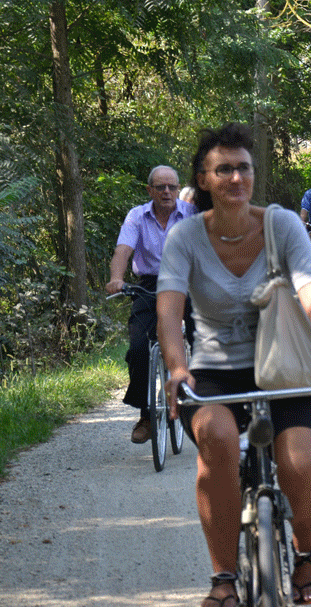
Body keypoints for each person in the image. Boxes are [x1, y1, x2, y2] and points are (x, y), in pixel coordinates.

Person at [156, 123, 311, 607]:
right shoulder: (184, 237)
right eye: (223, 169)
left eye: (243, 167)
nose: (235, 178)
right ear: (203, 180)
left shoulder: (280, 224)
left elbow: (310, 290)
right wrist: (176, 369)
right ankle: (223, 577)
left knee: (301, 463)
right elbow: (169, 307)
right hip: (214, 371)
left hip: (284, 368)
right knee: (218, 443)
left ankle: (305, 556)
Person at [106, 165, 196, 444]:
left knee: (205, 338)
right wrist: (116, 278)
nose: (166, 192)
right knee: (137, 349)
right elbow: (123, 249)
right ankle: (146, 414)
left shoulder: (192, 214)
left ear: (178, 189)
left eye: (171, 187)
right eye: (160, 187)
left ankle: (206, 405)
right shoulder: (137, 216)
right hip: (150, 284)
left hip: (188, 281)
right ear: (150, 191)